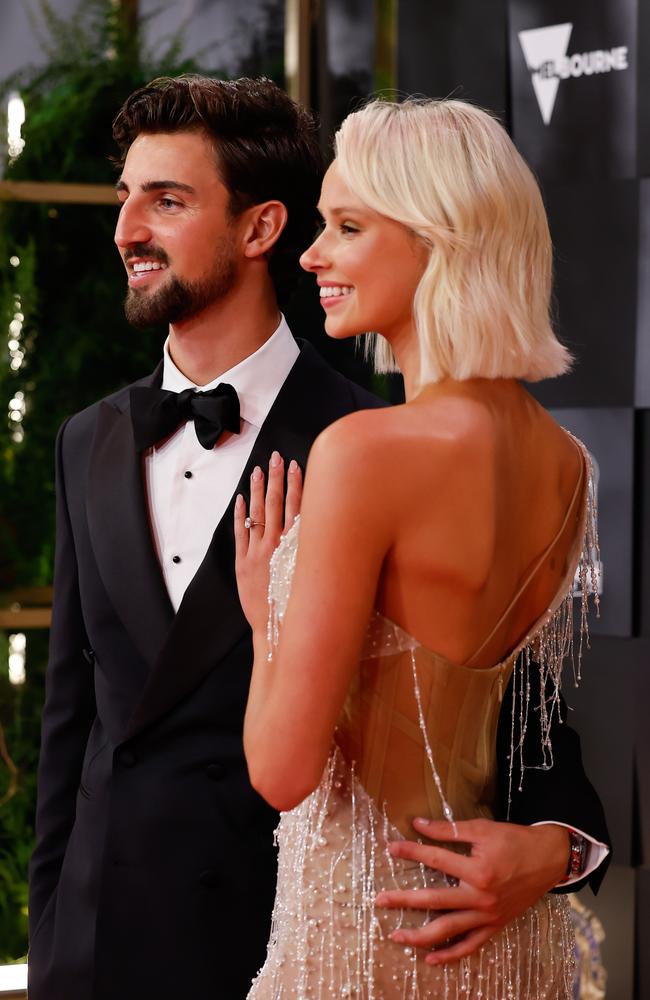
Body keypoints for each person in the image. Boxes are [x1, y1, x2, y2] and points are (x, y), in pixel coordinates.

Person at [27, 74, 606, 1000]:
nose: (126, 228)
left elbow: (516, 717)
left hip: (308, 937)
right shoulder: (85, 439)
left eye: (165, 201)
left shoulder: (367, 439)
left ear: (260, 228)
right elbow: (71, 717)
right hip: (101, 948)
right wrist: (50, 929)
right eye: (124, 196)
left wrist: (558, 846)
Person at [234, 97, 609, 999]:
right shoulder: (569, 464)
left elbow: (282, 773)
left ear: (443, 242)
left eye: (348, 226)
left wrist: (264, 621)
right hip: (508, 950)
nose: (312, 254)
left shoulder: (366, 454)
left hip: (366, 940)